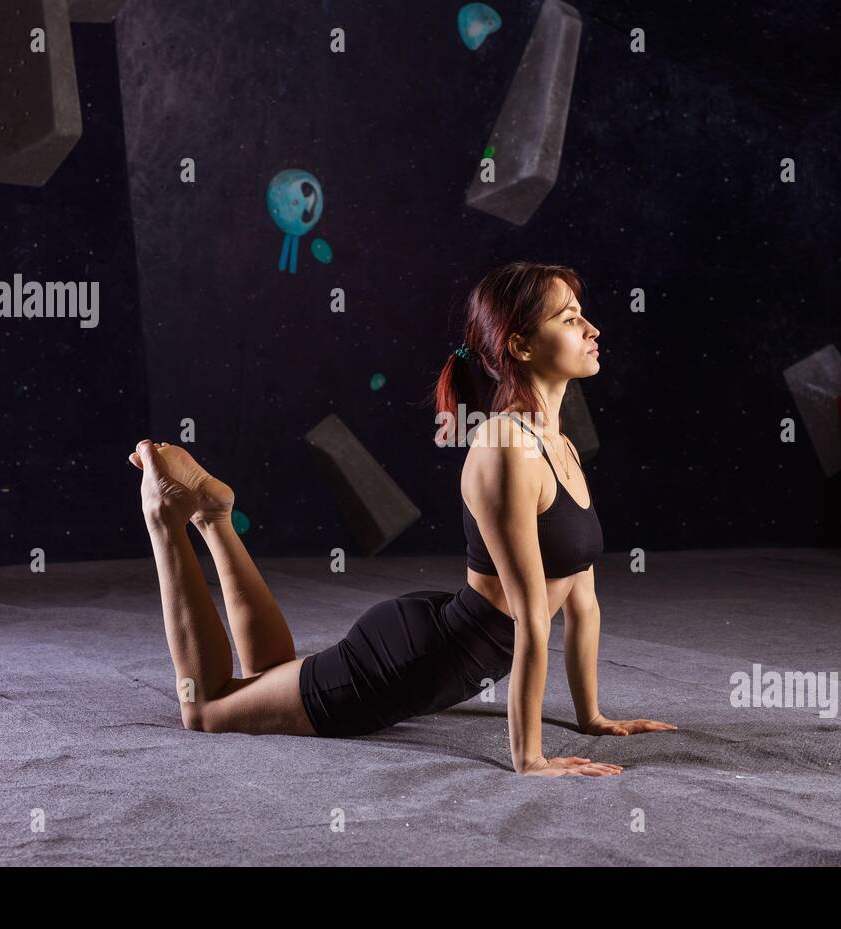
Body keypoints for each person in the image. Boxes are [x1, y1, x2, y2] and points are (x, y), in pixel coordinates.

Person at [129, 261, 676, 777]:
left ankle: (215, 518)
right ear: (521, 344)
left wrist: (592, 717)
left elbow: (583, 606)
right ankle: (165, 517)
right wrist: (529, 758)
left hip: (438, 637)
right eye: (569, 317)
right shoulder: (506, 446)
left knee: (271, 676)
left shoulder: (559, 447)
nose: (592, 328)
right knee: (205, 711)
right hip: (417, 664)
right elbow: (532, 621)